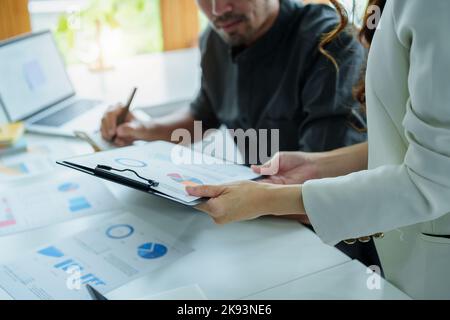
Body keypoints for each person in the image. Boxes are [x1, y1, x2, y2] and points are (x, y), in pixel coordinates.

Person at [186, 0, 450, 299]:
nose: (219, 9)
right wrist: (317, 165)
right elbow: (407, 143)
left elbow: (434, 179)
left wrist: (267, 199)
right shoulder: (216, 43)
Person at [101, 0, 378, 266]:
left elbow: (328, 188)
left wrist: (239, 199)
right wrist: (144, 129)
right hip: (256, 222)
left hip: (326, 245)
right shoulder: (216, 38)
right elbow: (202, 114)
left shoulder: (331, 43)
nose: (217, 10)